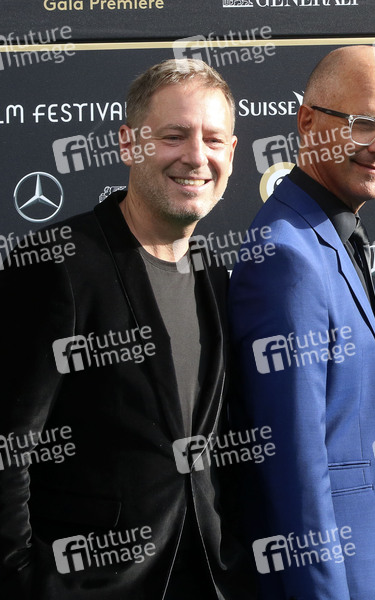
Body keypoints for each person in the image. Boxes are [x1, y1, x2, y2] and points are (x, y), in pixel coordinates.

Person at [0, 59, 253, 599]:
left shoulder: (216, 276)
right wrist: (22, 578)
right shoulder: (57, 263)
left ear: (232, 154)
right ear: (128, 144)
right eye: (174, 136)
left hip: (209, 579)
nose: (196, 157)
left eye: (213, 139)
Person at [228, 46, 375, 600]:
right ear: (307, 121)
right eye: (365, 124)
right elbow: (293, 466)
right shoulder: (286, 257)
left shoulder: (335, 236)